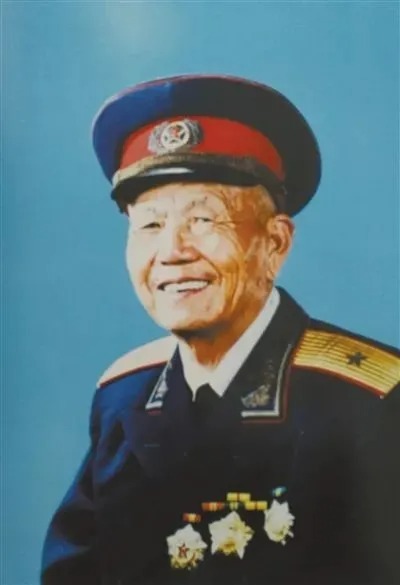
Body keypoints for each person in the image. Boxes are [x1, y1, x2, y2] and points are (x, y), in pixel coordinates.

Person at [41, 75, 400, 585]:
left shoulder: (373, 404)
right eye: (150, 225)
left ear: (275, 244)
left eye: (204, 220)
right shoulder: (122, 396)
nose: (172, 252)